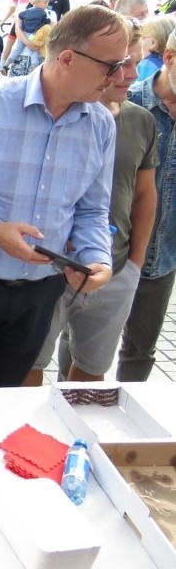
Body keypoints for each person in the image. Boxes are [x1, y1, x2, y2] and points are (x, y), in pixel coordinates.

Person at [0, 5, 129, 389]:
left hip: (42, 292)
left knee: (8, 402)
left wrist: (96, 259)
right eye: (110, 65)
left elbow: (92, 209)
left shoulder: (100, 123)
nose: (118, 77)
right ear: (68, 58)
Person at [26, 22, 157, 385]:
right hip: (52, 269)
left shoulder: (140, 121)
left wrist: (134, 263)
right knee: (30, 365)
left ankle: (78, 441)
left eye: (135, 63)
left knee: (91, 371)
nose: (131, 74)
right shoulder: (55, 113)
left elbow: (145, 194)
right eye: (122, 63)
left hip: (112, 268)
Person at [118, 26, 176, 381]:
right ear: (169, 58)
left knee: (140, 352)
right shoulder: (127, 104)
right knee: (79, 347)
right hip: (111, 251)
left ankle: (126, 433)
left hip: (164, 257)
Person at [2, 0, 56, 74]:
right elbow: (17, 30)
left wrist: (29, 43)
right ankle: (5, 66)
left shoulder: (25, 12)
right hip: (30, 55)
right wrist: (31, 43)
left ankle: (5, 65)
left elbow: (51, 31)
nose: (46, 3)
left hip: (35, 55)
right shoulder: (48, 14)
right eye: (45, 1)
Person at [0, 0, 36, 66]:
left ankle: (3, 65)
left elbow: (12, 9)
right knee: (31, 46)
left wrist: (3, 20)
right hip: (33, 23)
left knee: (10, 43)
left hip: (18, 22)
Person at [137, 15, 175, 81]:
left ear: (152, 43)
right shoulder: (170, 61)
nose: (138, 42)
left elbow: (136, 88)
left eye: (140, 38)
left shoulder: (147, 64)